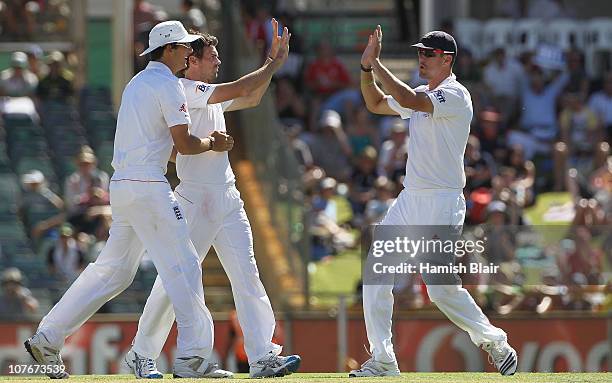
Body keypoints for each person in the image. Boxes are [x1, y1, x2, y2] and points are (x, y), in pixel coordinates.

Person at [24, 20, 235, 379]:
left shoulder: (137, 83)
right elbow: (184, 145)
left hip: (123, 185)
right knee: (183, 265)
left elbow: (161, 144)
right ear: (168, 50)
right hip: (149, 187)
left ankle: (48, 337)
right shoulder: (169, 85)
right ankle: (192, 358)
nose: (188, 53)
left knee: (114, 271)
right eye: (184, 47)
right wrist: (213, 144)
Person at [122, 19, 301, 379]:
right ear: (192, 62)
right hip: (194, 200)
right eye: (211, 56)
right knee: (176, 280)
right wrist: (272, 64)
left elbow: (251, 96)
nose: (218, 61)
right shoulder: (185, 89)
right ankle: (141, 353)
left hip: (228, 197)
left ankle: (263, 355)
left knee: (248, 275)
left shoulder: (208, 92)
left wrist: (271, 70)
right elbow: (240, 86)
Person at [352, 27, 517, 377]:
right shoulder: (424, 91)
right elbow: (376, 103)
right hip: (411, 198)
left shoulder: (456, 94)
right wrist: (366, 71)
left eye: (428, 54)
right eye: (420, 53)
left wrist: (376, 63)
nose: (421, 59)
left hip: (443, 202)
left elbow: (411, 101)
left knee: (441, 291)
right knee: (376, 275)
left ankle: (494, 340)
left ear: (447, 59)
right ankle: (383, 360)